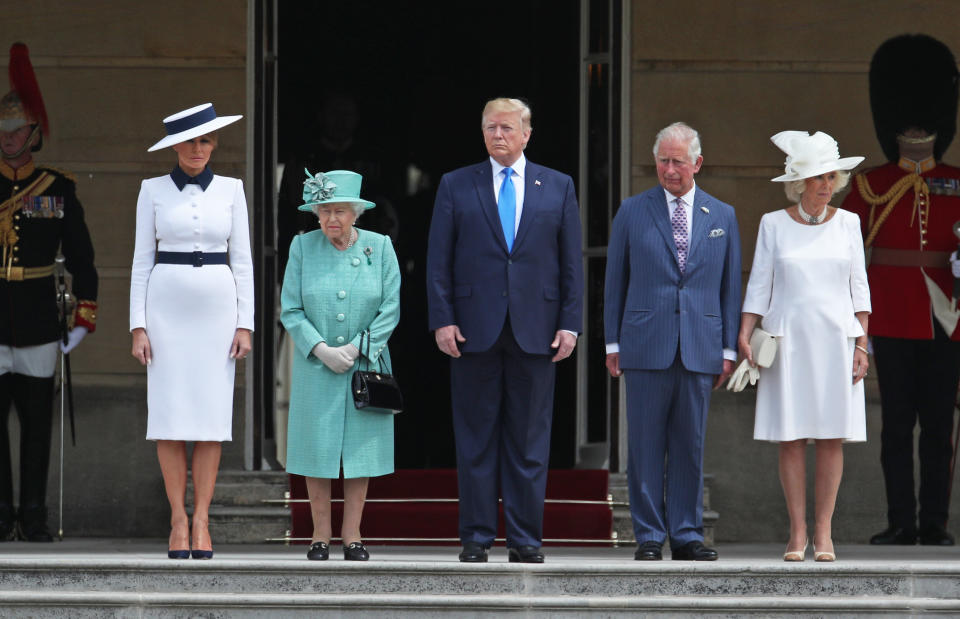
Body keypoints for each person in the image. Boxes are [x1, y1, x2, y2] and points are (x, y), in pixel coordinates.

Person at [426, 97, 583, 563]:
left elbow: (571, 264)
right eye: (491, 128)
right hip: (473, 330)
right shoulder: (457, 184)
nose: (499, 135)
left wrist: (570, 324)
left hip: (537, 329)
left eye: (508, 128)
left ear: (527, 133)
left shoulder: (558, 186)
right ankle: (475, 536)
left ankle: (524, 538)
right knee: (475, 439)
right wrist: (442, 318)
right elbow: (439, 261)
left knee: (529, 441)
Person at [842, 34, 960, 547]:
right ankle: (900, 521)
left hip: (946, 319)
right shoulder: (871, 186)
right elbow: (842, 255)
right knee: (895, 429)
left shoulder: (956, 181)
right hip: (889, 316)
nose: (915, 128)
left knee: (939, 430)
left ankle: (934, 521)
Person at [604, 122, 740, 561]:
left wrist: (727, 349)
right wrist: (611, 343)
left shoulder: (722, 215)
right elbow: (614, 282)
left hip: (700, 344)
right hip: (644, 343)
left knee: (689, 443)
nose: (669, 169)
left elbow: (728, 287)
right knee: (644, 444)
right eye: (663, 160)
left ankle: (685, 533)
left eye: (678, 161)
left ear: (697, 163)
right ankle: (647, 535)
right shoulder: (631, 210)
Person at [130, 103, 253, 559]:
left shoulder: (232, 189)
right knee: (168, 418)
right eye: (188, 141)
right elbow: (142, 259)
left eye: (204, 140)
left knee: (209, 420)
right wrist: (137, 325)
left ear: (214, 144)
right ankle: (176, 520)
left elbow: (242, 259)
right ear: (174, 146)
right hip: (166, 309)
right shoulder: (152, 190)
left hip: (218, 309)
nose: (197, 149)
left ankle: (201, 517)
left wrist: (245, 323)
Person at [741, 130, 869, 562]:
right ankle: (797, 533)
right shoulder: (772, 224)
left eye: (831, 177)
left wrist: (862, 345)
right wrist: (746, 332)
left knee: (831, 437)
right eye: (817, 177)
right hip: (788, 340)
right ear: (799, 183)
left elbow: (859, 289)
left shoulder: (849, 222)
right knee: (791, 438)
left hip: (836, 339)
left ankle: (824, 533)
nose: (825, 185)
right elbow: (760, 283)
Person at [0, 43, 97, 542]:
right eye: (4, 130)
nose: (10, 138)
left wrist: (83, 317)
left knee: (37, 425)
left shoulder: (57, 188)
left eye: (18, 130)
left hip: (38, 315)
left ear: (34, 133)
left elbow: (82, 258)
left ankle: (33, 515)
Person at [281, 169, 400, 562]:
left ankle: (352, 533)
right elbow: (291, 309)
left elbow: (391, 306)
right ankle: (319, 533)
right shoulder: (302, 247)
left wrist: (359, 346)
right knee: (316, 448)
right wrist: (320, 348)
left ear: (357, 213)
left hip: (364, 365)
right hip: (317, 366)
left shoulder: (380, 247)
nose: (332, 219)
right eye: (325, 210)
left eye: (341, 211)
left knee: (360, 452)